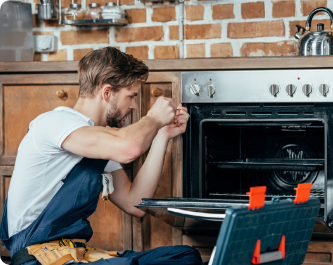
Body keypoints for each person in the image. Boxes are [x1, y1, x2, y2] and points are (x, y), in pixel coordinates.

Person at [0, 47, 203, 265]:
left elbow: (134, 203)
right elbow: (129, 148)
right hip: (38, 258)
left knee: (184, 256)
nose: (134, 106)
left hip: (74, 254)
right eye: (131, 96)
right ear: (107, 92)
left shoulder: (101, 143)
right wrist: (153, 119)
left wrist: (162, 136)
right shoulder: (54, 123)